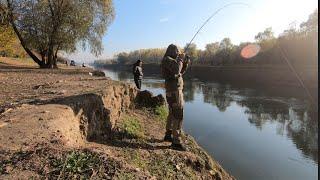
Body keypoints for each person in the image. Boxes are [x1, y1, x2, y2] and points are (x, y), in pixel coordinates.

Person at [160, 44, 190, 151]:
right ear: (172, 50)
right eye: (177, 50)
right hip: (174, 91)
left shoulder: (171, 61)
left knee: (172, 113)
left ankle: (168, 134)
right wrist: (181, 59)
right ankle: (176, 142)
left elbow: (180, 72)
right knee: (178, 114)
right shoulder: (167, 59)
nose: (178, 52)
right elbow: (177, 69)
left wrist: (185, 62)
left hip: (173, 91)